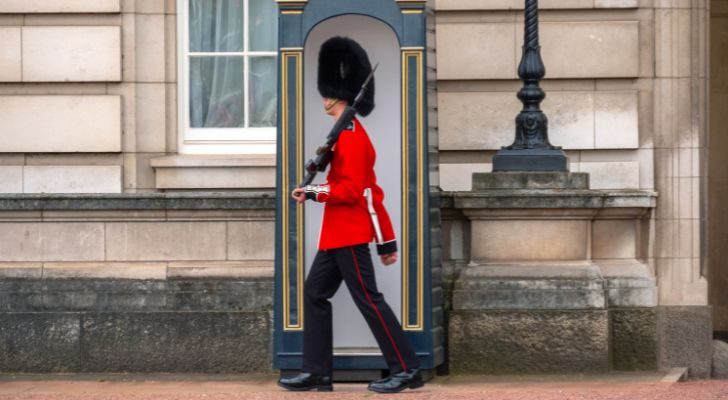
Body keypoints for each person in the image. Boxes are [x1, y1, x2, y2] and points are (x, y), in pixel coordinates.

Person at [277, 37, 423, 394]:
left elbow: (351, 192)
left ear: (339, 96)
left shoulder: (354, 138)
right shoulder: (341, 136)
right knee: (314, 293)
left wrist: (311, 191)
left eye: (330, 94)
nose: (324, 99)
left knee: (368, 300)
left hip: (351, 231)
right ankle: (317, 373)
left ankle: (406, 370)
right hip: (337, 234)